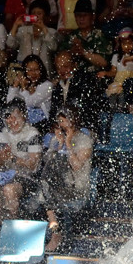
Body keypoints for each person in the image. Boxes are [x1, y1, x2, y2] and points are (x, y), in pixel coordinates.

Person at [39, 106, 92, 251]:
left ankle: (56, 232)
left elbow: (76, 166)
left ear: (72, 121)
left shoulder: (84, 140)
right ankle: (55, 227)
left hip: (76, 187)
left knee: (43, 192)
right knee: (46, 186)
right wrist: (59, 145)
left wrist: (68, 145)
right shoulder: (56, 141)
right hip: (57, 186)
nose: (61, 125)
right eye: (59, 121)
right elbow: (46, 164)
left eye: (63, 121)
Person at [0, 101, 42, 218]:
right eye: (9, 118)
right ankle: (0, 222)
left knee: (9, 190)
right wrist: (1, 159)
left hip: (27, 178)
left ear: (24, 116)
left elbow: (33, 165)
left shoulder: (32, 134)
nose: (13, 121)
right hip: (5, 176)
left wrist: (13, 158)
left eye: (16, 117)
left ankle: (13, 222)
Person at [6, 0, 58, 76]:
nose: (36, 16)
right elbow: (10, 44)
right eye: (33, 13)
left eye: (39, 13)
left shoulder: (51, 32)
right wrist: (15, 25)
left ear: (46, 16)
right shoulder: (23, 30)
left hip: (44, 73)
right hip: (23, 73)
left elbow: (53, 47)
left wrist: (43, 29)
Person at [6, 55, 53, 124]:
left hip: (41, 124)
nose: (33, 73)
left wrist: (23, 88)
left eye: (36, 69)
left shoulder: (47, 85)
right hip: (23, 124)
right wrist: (15, 85)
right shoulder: (25, 84)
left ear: (41, 70)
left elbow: (30, 103)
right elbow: (10, 102)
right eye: (30, 70)